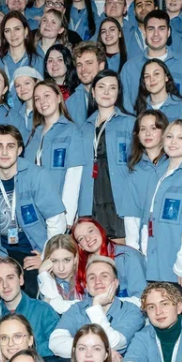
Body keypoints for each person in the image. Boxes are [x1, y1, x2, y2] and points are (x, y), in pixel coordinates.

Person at [0, 125, 65, 294]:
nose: (4, 152)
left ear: (19, 150)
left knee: (33, 294)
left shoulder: (37, 176)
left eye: (10, 146)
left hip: (33, 250)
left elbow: (56, 219)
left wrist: (47, 256)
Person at [122, 119, 182, 320]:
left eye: (181, 137)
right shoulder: (159, 171)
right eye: (169, 136)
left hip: (181, 269)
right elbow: (148, 217)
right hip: (155, 265)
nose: (173, 142)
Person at [49, 255, 144, 357]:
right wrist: (95, 349)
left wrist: (96, 306)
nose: (98, 281)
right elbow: (55, 343)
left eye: (104, 276)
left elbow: (114, 343)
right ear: (87, 287)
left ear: (116, 283)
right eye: (92, 277)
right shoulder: (77, 308)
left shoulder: (131, 311)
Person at [79, 71, 133, 242]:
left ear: (118, 93)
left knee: (120, 250)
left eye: (112, 88)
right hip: (91, 196)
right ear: (93, 92)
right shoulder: (84, 127)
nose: (107, 92)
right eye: (101, 87)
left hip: (118, 195)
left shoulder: (130, 123)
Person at [25, 80, 87, 230]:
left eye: (47, 95)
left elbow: (74, 174)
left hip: (58, 211)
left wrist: (67, 215)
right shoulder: (34, 134)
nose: (42, 101)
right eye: (37, 99)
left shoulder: (71, 130)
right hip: (34, 210)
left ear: (59, 98)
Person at [120, 11, 182, 113]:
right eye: (151, 29)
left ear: (169, 32)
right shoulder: (129, 68)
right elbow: (125, 109)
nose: (156, 34)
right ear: (144, 33)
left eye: (161, 28)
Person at [0, 257, 59, 362]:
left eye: (10, 278)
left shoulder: (42, 310)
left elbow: (57, 343)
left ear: (21, 279)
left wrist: (26, 350)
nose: (5, 285)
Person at [71, 217, 147, 301]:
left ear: (100, 230)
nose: (88, 238)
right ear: (80, 246)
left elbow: (140, 297)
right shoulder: (82, 267)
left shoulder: (128, 256)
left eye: (90, 231)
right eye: (81, 238)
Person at [36, 233, 83, 314]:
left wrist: (55, 303)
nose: (61, 268)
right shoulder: (45, 278)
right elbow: (48, 311)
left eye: (67, 260)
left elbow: (86, 307)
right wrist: (43, 275)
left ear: (75, 259)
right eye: (54, 261)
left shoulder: (86, 277)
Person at [67, 42, 107, 124]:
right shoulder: (71, 102)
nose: (83, 69)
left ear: (101, 66)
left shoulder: (115, 94)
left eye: (89, 63)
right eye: (79, 65)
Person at [0, 11, 41, 80]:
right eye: (7, 31)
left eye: (17, 29)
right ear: (4, 35)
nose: (12, 34)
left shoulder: (37, 61)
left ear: (26, 31)